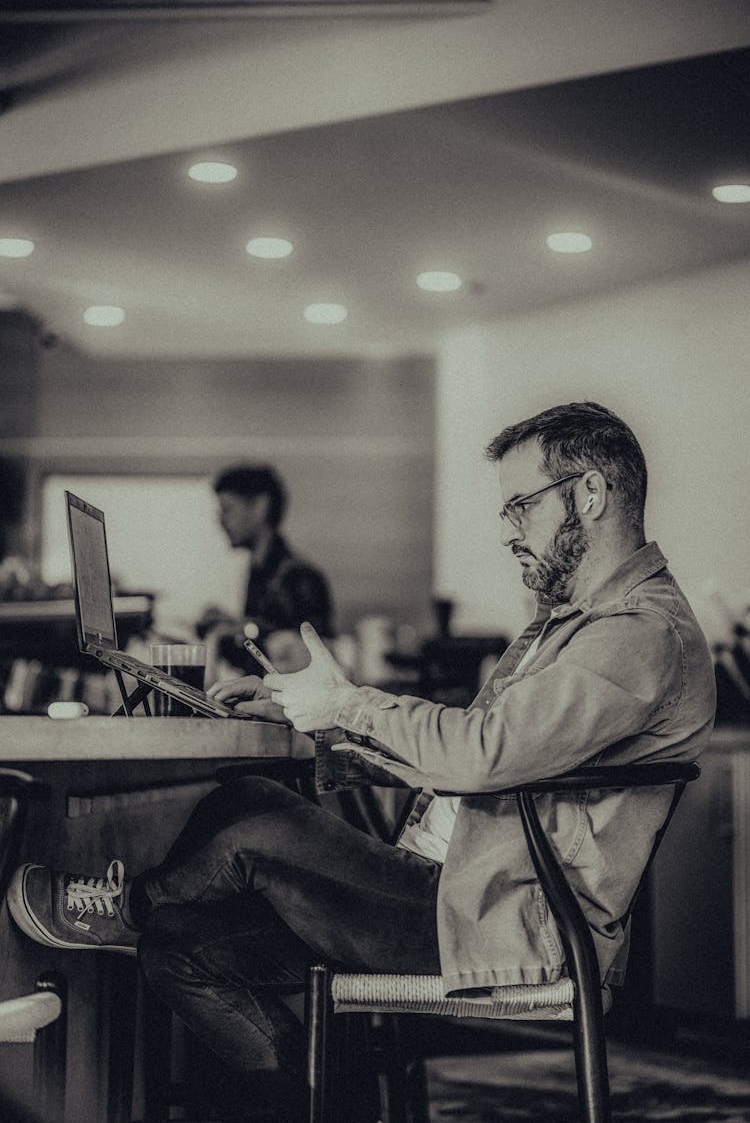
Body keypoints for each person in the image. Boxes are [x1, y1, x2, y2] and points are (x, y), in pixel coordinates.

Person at [7, 402, 716, 1121]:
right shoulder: (577, 626)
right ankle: (320, 1093)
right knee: (179, 945)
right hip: (457, 893)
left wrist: (346, 704)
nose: (509, 532)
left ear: (589, 494)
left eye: (521, 508)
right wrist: (313, 718)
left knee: (249, 809)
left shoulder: (637, 632)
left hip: (497, 915)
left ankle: (120, 907)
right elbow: (472, 754)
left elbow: (480, 753)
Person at [198, 463, 334, 673]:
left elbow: (316, 659)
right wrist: (231, 626)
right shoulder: (260, 571)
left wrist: (244, 629)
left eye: (228, 509)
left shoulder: (300, 577)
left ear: (261, 506)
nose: (221, 521)